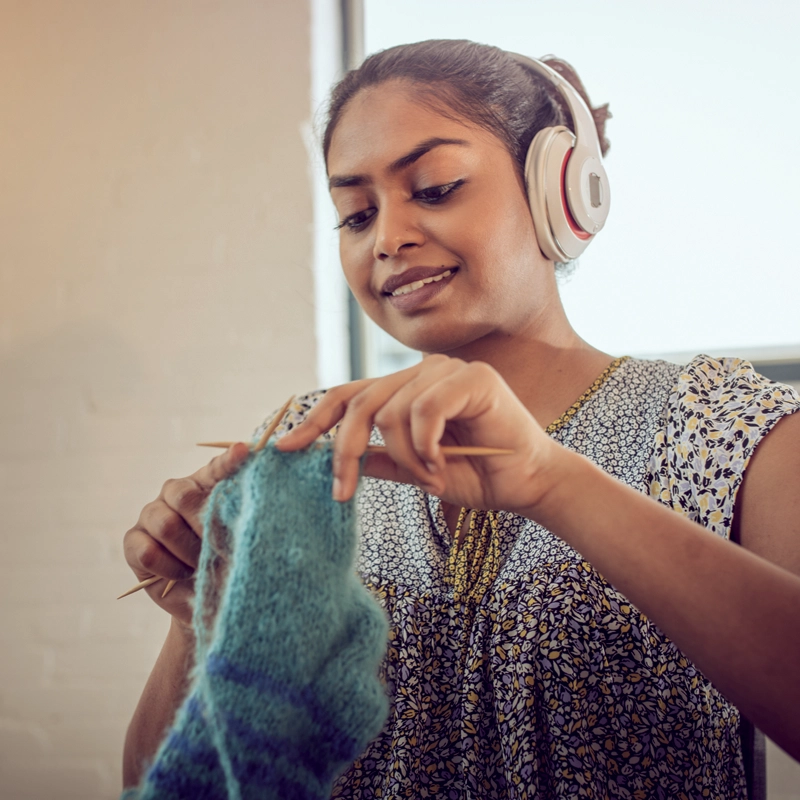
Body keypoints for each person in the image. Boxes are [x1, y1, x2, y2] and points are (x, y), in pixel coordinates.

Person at [122, 40, 800, 797]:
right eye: (356, 214)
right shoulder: (306, 447)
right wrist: (198, 624)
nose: (387, 238)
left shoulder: (723, 429)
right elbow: (170, 783)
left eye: (436, 188)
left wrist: (553, 483)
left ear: (561, 191)